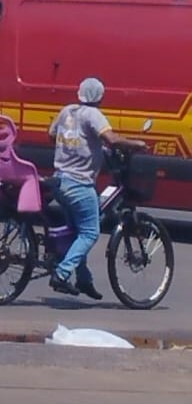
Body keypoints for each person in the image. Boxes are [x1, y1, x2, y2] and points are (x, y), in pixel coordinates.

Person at [48, 77, 147, 299]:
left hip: (60, 180)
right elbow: (111, 139)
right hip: (79, 184)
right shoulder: (93, 114)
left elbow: (51, 135)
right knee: (90, 232)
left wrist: (76, 149)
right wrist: (136, 144)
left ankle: (84, 280)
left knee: (77, 232)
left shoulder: (67, 111)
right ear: (99, 97)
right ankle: (62, 273)